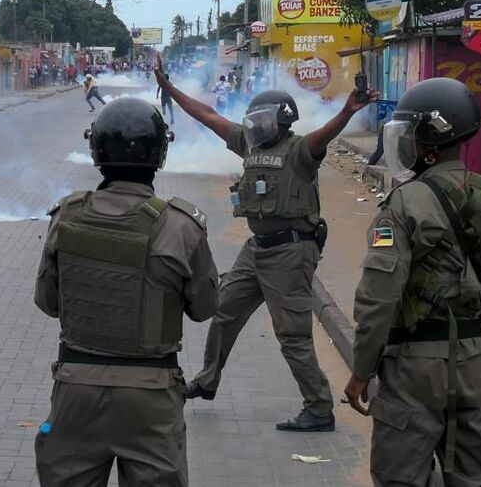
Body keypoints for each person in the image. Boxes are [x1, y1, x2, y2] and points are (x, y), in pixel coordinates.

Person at [155, 54, 376, 432]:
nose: (257, 127)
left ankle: (319, 408)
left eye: (264, 121)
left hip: (291, 251)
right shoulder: (248, 144)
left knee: (292, 335)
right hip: (258, 248)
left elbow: (326, 134)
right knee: (223, 311)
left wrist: (348, 110)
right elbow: (207, 116)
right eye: (254, 121)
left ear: (284, 120)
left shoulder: (301, 151)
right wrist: (170, 88)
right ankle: (208, 381)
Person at [343, 77, 481, 485]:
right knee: (471, 478)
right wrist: (467, 316)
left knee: (400, 477)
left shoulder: (404, 203)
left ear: (429, 139)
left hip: (413, 366)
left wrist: (361, 369)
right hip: (476, 361)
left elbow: (379, 299)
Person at [34, 97, 218, 486]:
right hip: (151, 396)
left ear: (96, 150)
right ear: (159, 154)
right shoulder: (183, 225)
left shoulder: (66, 216)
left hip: (75, 389)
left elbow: (48, 303)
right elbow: (204, 308)